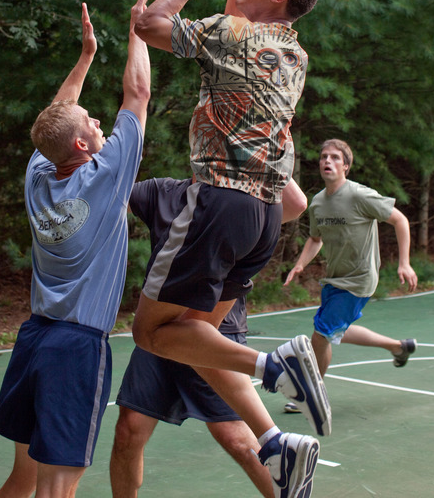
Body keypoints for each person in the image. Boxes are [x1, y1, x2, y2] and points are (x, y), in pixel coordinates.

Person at [131, 0, 330, 498]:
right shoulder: (293, 52)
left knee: (151, 333)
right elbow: (239, 22)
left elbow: (147, 25)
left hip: (220, 201)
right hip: (265, 217)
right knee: (194, 340)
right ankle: (275, 445)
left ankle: (277, 366)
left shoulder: (235, 36)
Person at [0, 0, 153, 498]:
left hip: (33, 338)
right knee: (57, 488)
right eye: (92, 123)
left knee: (24, 478)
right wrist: (137, 29)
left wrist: (85, 58)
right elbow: (137, 95)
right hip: (76, 346)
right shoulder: (105, 178)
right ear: (82, 144)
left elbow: (54, 118)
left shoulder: (39, 172)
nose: (99, 122)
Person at [110, 176, 308, 498]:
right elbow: (112, 187)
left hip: (214, 329)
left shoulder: (241, 198)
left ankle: (275, 376)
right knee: (128, 432)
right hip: (163, 327)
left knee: (238, 440)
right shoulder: (162, 192)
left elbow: (297, 204)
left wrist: (271, 146)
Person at [283, 138, 418, 413]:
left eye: (334, 157)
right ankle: (398, 347)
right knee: (336, 332)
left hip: (359, 279)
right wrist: (300, 264)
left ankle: (314, 394)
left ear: (346, 165)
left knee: (320, 336)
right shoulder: (318, 203)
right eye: (323, 157)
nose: (327, 161)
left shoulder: (360, 195)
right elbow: (315, 239)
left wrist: (404, 263)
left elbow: (400, 220)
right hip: (335, 278)